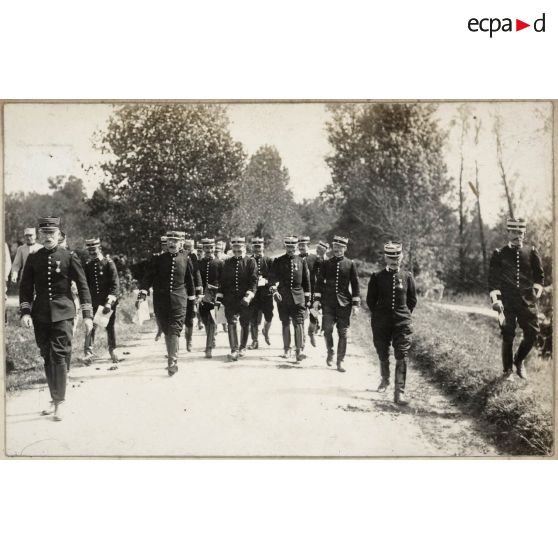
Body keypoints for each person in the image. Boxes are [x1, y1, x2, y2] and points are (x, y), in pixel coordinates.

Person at [19, 217, 93, 421]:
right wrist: (25, 312)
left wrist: (87, 315)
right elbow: (25, 288)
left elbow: (83, 286)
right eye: (44, 233)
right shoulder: (34, 258)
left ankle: (59, 402)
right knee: (46, 355)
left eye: (52, 233)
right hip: (41, 314)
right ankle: (54, 399)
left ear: (59, 235)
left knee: (59, 355)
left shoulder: (69, 256)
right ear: (40, 235)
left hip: (64, 312)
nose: (48, 237)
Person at [488, 217, 544, 381]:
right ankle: (507, 371)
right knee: (508, 334)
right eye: (513, 232)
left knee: (533, 333)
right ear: (508, 232)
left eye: (520, 232)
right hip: (506, 302)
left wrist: (535, 292)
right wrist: (496, 300)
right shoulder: (499, 254)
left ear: (524, 233)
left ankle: (519, 361)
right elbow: (493, 280)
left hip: (527, 301)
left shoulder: (531, 252)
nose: (516, 235)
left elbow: (540, 277)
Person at [138, 229, 195, 376]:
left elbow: (190, 281)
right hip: (161, 301)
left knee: (175, 329)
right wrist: (143, 292)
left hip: (179, 300)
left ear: (181, 243)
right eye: (169, 241)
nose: (171, 243)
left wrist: (192, 299)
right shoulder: (158, 259)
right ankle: (172, 356)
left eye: (175, 241)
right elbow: (148, 277)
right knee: (166, 329)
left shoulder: (186, 258)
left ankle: (172, 362)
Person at [366, 241, 417, 405]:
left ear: (401, 257)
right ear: (386, 258)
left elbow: (412, 300)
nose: (395, 260)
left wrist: (403, 315)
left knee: (402, 353)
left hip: (402, 322)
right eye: (391, 257)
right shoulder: (377, 277)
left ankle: (399, 393)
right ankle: (385, 379)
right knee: (382, 351)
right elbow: (370, 301)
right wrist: (380, 315)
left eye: (397, 257)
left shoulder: (407, 276)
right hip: (381, 321)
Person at [313, 235, 360, 373]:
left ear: (345, 248)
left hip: (344, 303)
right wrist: (316, 300)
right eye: (335, 247)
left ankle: (340, 361)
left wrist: (356, 304)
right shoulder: (326, 263)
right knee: (327, 330)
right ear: (333, 248)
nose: (337, 250)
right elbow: (319, 283)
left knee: (343, 333)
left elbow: (355, 285)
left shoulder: (350, 264)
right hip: (328, 303)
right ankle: (330, 351)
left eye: (340, 248)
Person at [216, 236, 257, 361]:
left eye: (239, 249)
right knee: (231, 323)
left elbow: (254, 281)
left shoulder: (250, 262)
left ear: (244, 248)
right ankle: (234, 350)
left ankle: (242, 347)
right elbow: (222, 282)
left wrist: (249, 296)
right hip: (230, 299)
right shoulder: (226, 263)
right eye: (235, 249)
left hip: (245, 299)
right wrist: (219, 298)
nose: (237, 251)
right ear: (232, 249)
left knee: (245, 323)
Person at [270, 236, 311, 362]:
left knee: (298, 322)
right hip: (283, 297)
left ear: (296, 247)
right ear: (285, 247)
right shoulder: (278, 261)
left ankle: (299, 351)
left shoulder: (302, 261)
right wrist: (275, 291)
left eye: (293, 247)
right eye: (288, 246)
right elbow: (272, 279)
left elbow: (306, 281)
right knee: (285, 322)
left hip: (298, 297)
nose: (291, 249)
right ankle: (286, 349)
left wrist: (308, 298)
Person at [83, 238, 120, 365]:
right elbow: (85, 284)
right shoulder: (88, 265)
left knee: (109, 327)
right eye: (90, 250)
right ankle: (88, 354)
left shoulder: (108, 263)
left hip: (107, 302)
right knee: (90, 327)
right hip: (93, 302)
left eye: (94, 250)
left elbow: (115, 285)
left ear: (99, 249)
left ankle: (112, 350)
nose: (92, 252)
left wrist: (109, 302)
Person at [198, 237, 223, 358]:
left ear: (214, 248)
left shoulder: (220, 263)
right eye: (206, 248)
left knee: (212, 320)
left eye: (211, 247)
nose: (209, 250)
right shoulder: (199, 263)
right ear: (203, 249)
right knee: (204, 319)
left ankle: (208, 348)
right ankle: (211, 337)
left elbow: (224, 280)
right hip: (203, 296)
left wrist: (218, 290)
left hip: (215, 296)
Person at [247, 237, 274, 349]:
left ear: (263, 247)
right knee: (253, 318)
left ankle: (265, 331)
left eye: (259, 246)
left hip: (266, 294)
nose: (257, 249)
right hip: (253, 294)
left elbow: (275, 277)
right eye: (255, 246)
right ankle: (254, 341)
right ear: (252, 247)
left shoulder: (269, 261)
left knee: (269, 317)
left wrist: (267, 281)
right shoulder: (248, 261)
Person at [181, 237, 203, 351]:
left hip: (191, 290)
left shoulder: (193, 257)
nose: (187, 250)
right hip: (178, 291)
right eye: (185, 247)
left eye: (189, 248)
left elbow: (197, 273)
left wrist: (199, 291)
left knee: (190, 317)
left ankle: (189, 340)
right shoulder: (177, 256)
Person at [297, 236, 319, 347]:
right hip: (301, 292)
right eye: (299, 245)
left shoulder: (315, 258)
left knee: (314, 314)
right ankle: (302, 339)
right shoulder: (295, 259)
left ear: (308, 246)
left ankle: (311, 332)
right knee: (300, 315)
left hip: (314, 291)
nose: (301, 247)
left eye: (303, 245)